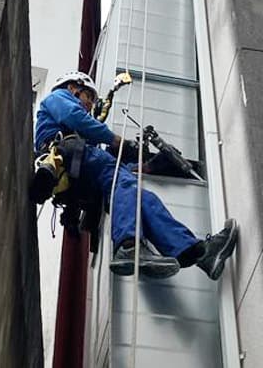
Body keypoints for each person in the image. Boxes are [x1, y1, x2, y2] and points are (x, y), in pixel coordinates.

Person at [32, 71, 238, 280]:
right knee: (125, 184)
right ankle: (129, 246)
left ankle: (197, 252)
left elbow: (95, 156)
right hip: (69, 155)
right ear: (73, 88)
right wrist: (116, 140)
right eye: (89, 97)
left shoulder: (75, 128)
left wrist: (144, 164)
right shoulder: (57, 98)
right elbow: (76, 119)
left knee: (143, 198)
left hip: (80, 167)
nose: (90, 104)